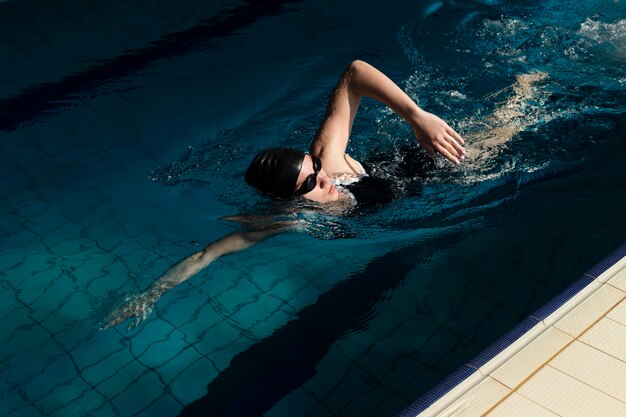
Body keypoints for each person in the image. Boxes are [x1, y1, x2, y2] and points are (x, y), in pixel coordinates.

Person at [102, 61, 546, 330]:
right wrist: (149, 295)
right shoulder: (286, 220)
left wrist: (416, 116)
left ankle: (534, 80)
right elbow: (207, 255)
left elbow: (354, 71)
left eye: (315, 169)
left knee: (517, 123)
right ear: (289, 200)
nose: (324, 178)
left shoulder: (327, 161)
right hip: (420, 190)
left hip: (422, 162)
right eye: (311, 183)